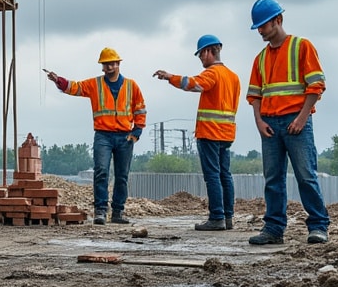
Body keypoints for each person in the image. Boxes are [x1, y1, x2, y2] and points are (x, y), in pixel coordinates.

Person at [246, 0, 330, 245]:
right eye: (258, 27)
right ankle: (273, 229)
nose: (260, 31)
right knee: (273, 179)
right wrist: (259, 122)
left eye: (264, 25)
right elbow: (255, 95)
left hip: (296, 124)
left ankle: (318, 226)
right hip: (270, 125)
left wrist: (302, 119)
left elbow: (316, 86)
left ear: (278, 20)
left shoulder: (302, 47)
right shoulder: (260, 59)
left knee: (306, 176)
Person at [46, 48, 146, 224]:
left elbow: (140, 109)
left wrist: (137, 131)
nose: (110, 66)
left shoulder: (132, 86)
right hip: (103, 136)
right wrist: (59, 81)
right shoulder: (95, 84)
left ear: (118, 64)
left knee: (122, 176)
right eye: (106, 64)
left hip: (124, 136)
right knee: (101, 171)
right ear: (102, 66)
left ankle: (118, 212)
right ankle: (100, 211)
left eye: (113, 63)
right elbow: (76, 87)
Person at [153, 34, 241, 230]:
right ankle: (227, 217)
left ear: (209, 51)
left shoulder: (213, 73)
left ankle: (216, 217)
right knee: (225, 175)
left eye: (201, 54)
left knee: (212, 176)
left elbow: (193, 84)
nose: (200, 58)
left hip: (210, 133)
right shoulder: (233, 77)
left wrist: (170, 77)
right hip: (227, 134)